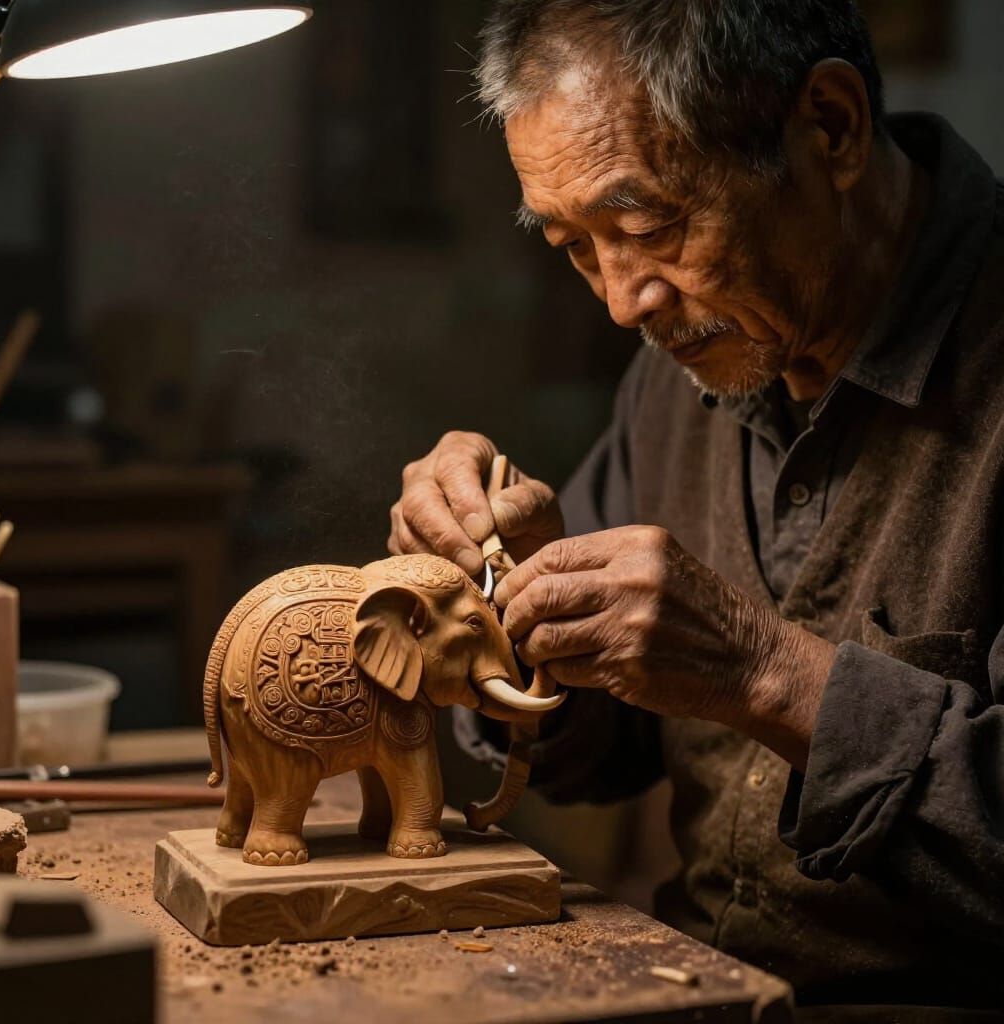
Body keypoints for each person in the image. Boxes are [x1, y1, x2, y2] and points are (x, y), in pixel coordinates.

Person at [388, 1, 1004, 1017]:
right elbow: (599, 756)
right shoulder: (690, 358)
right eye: (575, 246)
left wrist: (761, 671)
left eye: (648, 227)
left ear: (831, 128)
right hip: (698, 985)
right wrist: (506, 608)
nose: (622, 301)